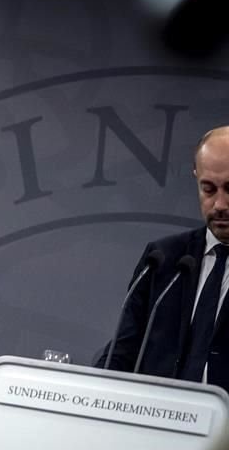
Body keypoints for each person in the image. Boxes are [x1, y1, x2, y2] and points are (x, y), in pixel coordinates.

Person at [97, 126, 228, 388]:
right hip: (158, 421)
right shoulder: (164, 259)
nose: (220, 205)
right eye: (209, 189)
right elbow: (123, 352)